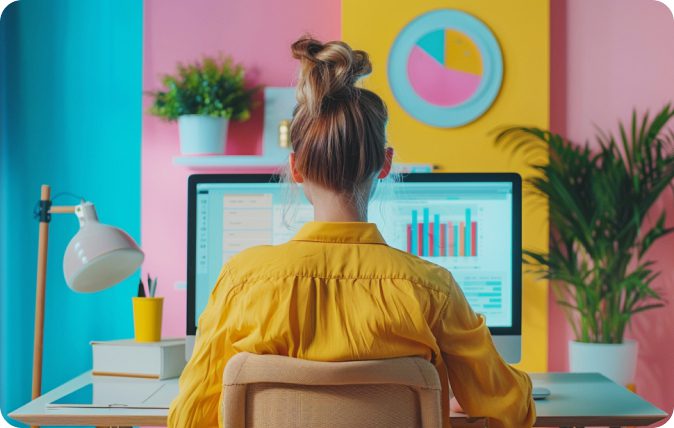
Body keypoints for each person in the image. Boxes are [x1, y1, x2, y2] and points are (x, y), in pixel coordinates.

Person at [168, 36, 535, 428]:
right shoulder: (431, 290)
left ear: (295, 168)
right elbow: (510, 412)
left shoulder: (241, 283)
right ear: (384, 164)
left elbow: (189, 419)